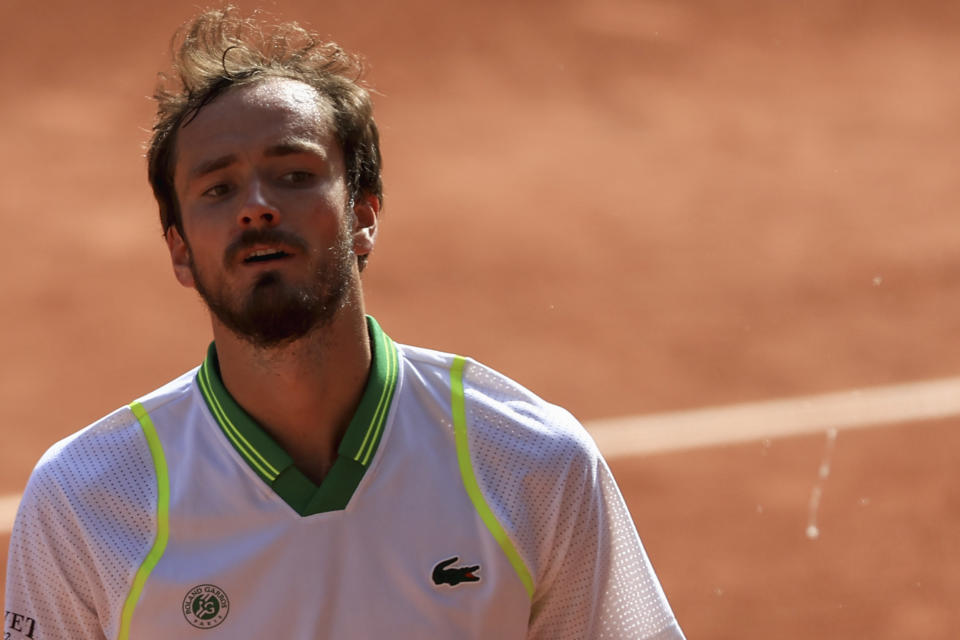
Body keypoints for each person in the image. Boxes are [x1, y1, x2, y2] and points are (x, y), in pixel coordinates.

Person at [4, 7, 685, 640]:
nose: (257, 207)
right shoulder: (86, 503)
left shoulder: (528, 462)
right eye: (218, 189)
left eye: (294, 174)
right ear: (180, 249)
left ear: (364, 212)